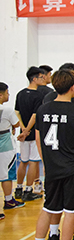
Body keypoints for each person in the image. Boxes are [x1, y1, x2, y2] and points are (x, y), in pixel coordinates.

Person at [29, 69, 74, 240]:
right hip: (73, 168)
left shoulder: (42, 110)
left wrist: (47, 161)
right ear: (73, 87)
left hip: (52, 168)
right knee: (71, 210)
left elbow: (39, 139)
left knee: (48, 208)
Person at [14, 66, 45, 202]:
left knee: (23, 161)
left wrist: (22, 129)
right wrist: (27, 130)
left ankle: (18, 188)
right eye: (41, 77)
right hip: (32, 133)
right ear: (34, 79)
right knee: (33, 162)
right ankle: (28, 190)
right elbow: (35, 114)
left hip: (23, 135)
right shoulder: (38, 95)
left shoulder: (20, 94)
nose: (43, 79)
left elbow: (17, 112)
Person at [0, 82, 24, 218]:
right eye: (7, 93)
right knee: (6, 174)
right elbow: (16, 124)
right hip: (5, 147)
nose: (8, 95)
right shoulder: (7, 110)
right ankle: (8, 200)